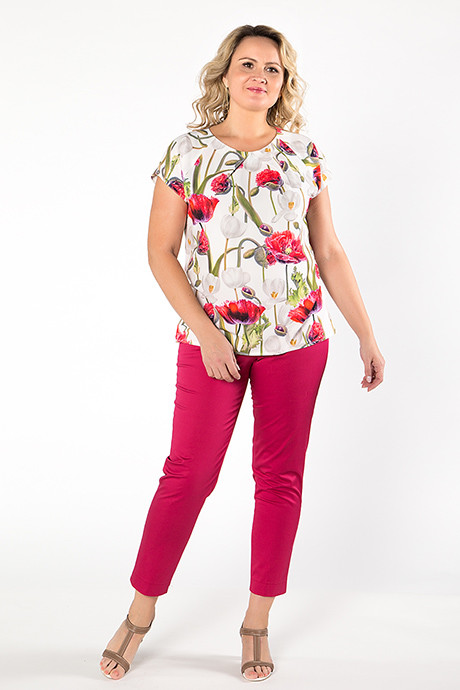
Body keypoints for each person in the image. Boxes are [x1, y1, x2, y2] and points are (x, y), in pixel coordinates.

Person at [99, 23, 385, 683]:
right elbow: (160, 253)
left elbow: (328, 250)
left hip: (298, 340)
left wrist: (366, 334)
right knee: (187, 475)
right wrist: (206, 333)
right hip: (213, 344)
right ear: (225, 74)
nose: (260, 76)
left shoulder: (303, 153)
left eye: (273, 69)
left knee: (279, 479)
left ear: (284, 84)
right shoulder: (187, 152)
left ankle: (256, 622)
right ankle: (139, 614)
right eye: (248, 64)